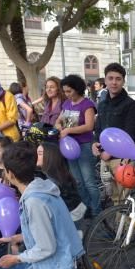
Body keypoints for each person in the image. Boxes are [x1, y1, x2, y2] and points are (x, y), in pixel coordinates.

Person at [91, 62, 135, 206]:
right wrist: (95, 142)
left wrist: (109, 151)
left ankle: (131, 229)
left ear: (123, 81)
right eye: (110, 78)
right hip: (104, 158)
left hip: (122, 159)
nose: (114, 82)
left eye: (118, 79)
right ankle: (120, 228)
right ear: (105, 80)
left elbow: (129, 134)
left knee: (126, 200)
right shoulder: (102, 103)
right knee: (114, 198)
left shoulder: (130, 104)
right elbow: (99, 127)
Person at [57, 74, 99, 217]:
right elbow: (59, 120)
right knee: (78, 181)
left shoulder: (87, 105)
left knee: (89, 181)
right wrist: (59, 127)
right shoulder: (67, 104)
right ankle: (87, 206)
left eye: (69, 91)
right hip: (69, 147)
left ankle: (96, 209)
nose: (67, 94)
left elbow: (89, 126)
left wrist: (69, 130)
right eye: (65, 91)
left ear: (77, 89)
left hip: (84, 146)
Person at [37, 142, 86, 224]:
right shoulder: (56, 174)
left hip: (71, 218)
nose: (36, 156)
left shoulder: (52, 180)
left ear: (49, 157)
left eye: (40, 154)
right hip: (74, 213)